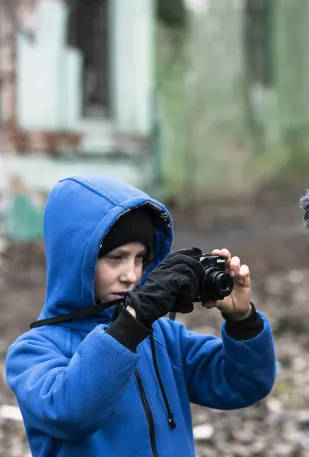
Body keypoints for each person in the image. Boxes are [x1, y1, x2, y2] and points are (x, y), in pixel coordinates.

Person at [6, 175, 277, 457]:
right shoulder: (32, 353)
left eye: (140, 258)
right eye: (116, 257)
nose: (131, 275)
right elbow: (72, 414)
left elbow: (243, 384)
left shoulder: (162, 335)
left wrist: (242, 320)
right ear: (76, 259)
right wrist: (130, 325)